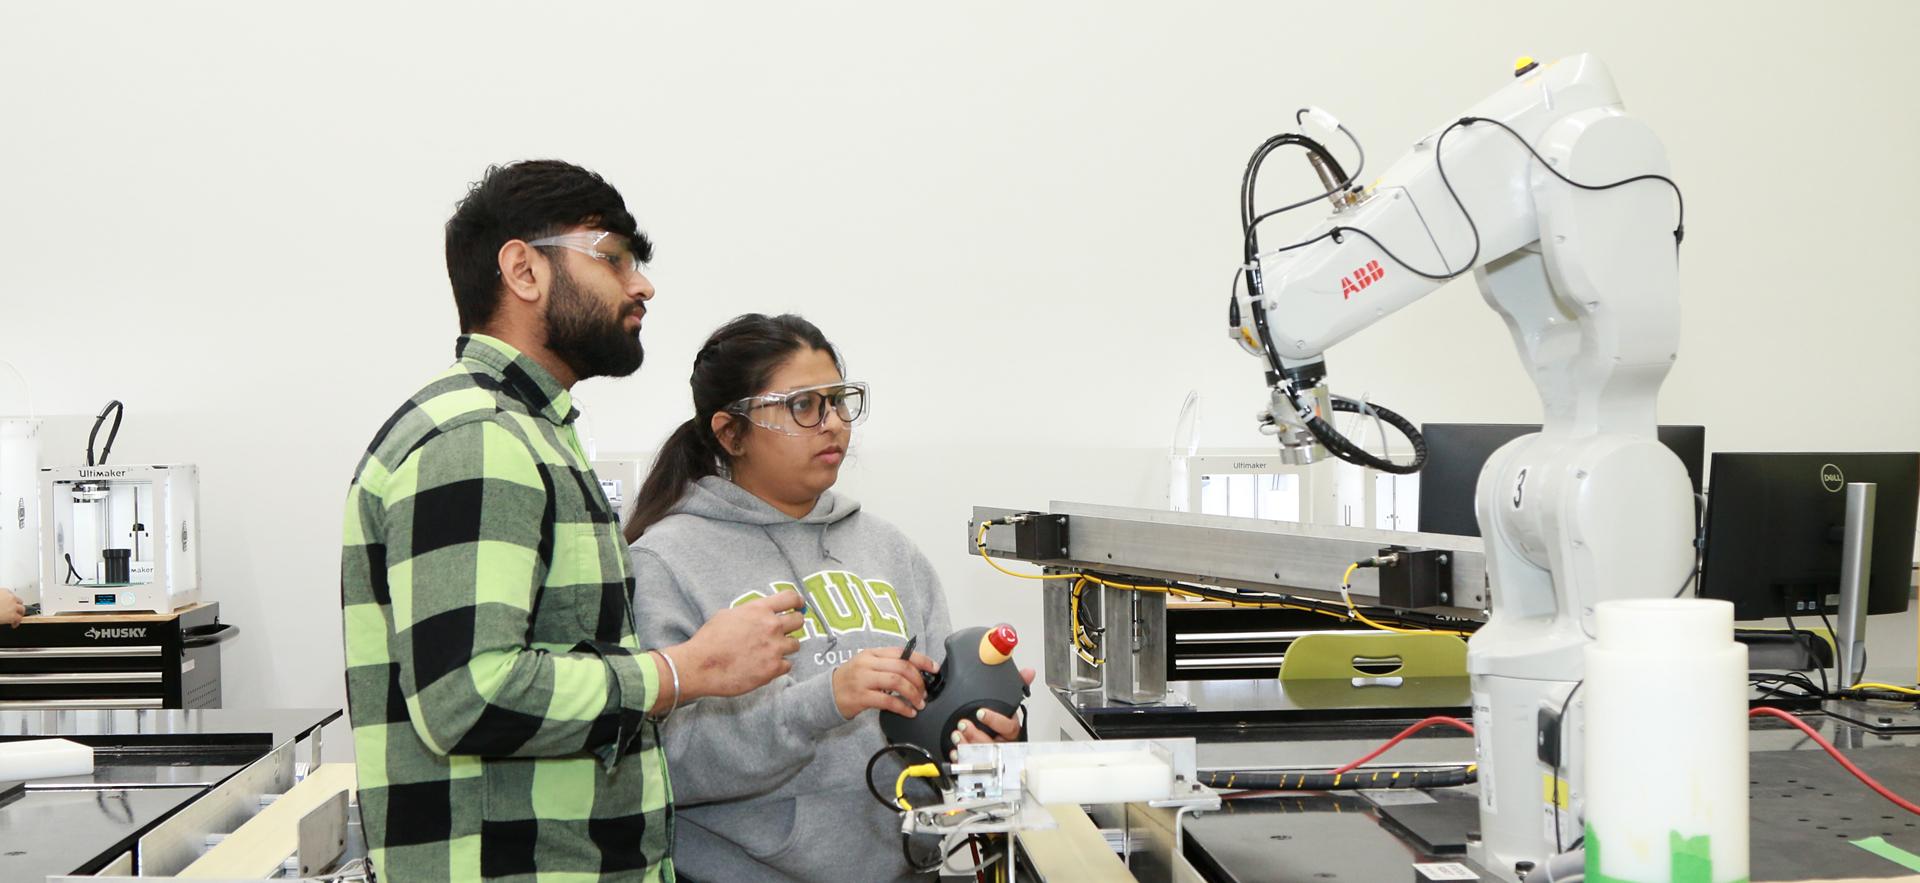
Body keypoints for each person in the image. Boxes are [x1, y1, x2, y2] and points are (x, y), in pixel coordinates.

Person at [340, 161, 807, 882]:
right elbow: (468, 694)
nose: (642, 284)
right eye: (613, 257)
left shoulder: (531, 433)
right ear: (523, 270)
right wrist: (683, 670)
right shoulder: (478, 438)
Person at [625, 313, 1031, 882]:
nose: (833, 424)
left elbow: (934, 737)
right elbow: (665, 766)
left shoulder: (891, 551)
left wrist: (980, 732)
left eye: (840, 401)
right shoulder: (665, 563)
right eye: (803, 406)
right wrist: (824, 701)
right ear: (729, 431)